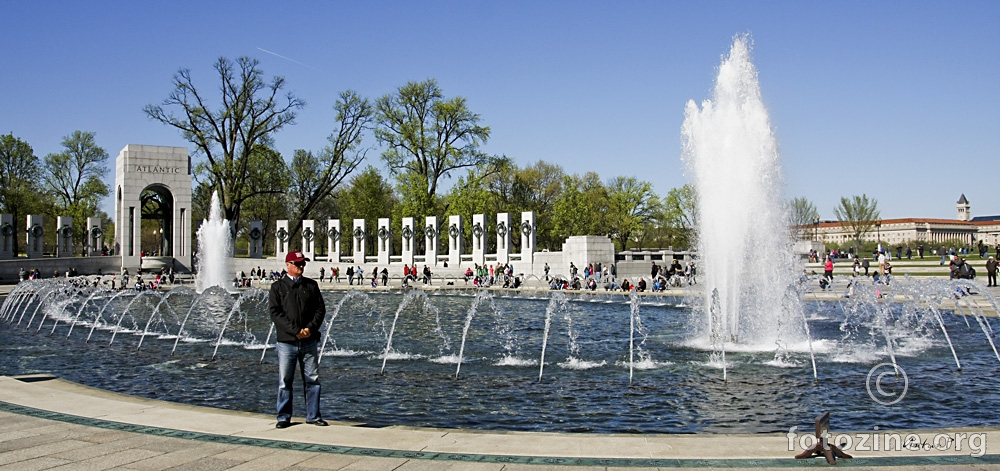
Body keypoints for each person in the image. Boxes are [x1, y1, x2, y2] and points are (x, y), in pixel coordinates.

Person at [268, 250, 327, 429]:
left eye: (303, 263)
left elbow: (320, 310)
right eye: (298, 263)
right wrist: (296, 331)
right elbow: (275, 313)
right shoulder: (278, 287)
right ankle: (284, 416)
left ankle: (313, 415)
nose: (301, 266)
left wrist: (310, 328)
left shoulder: (311, 285)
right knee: (285, 380)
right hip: (287, 341)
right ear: (288, 265)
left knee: (312, 379)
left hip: (309, 340)